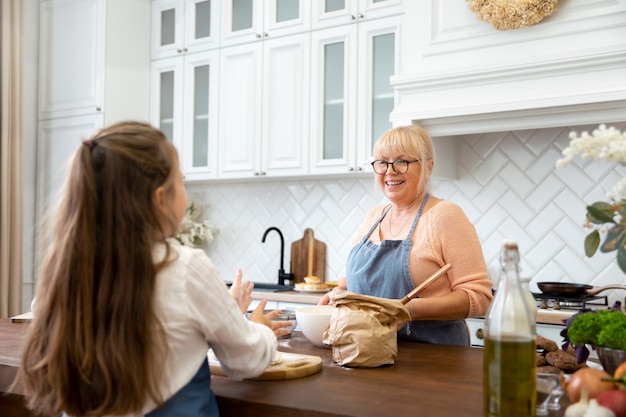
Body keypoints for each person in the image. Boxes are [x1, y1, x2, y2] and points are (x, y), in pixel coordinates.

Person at [17, 121, 291, 417]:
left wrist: (226, 312)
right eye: (182, 181)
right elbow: (246, 360)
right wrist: (259, 328)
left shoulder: (66, 270)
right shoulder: (185, 267)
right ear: (161, 198)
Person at [320, 125, 493, 346]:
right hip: (367, 353)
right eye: (382, 162)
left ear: (428, 167)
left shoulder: (445, 216)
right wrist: (339, 292)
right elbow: (364, 280)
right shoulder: (374, 218)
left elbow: (479, 297)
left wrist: (409, 310)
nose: (390, 171)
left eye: (402, 161)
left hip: (435, 361)